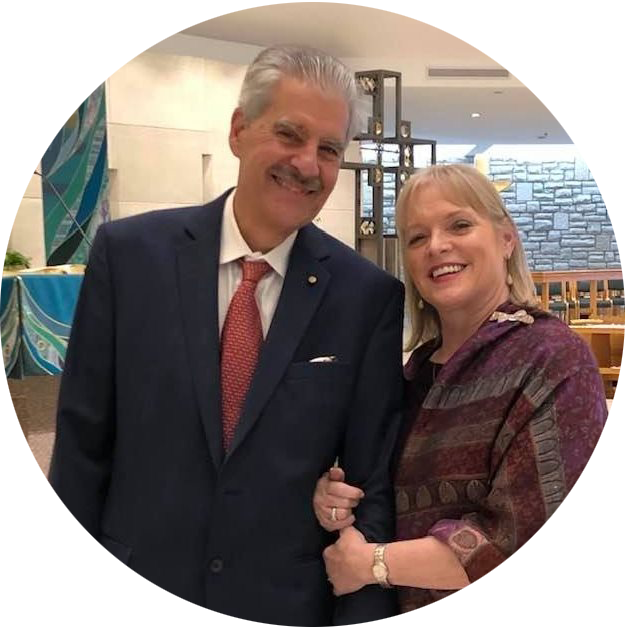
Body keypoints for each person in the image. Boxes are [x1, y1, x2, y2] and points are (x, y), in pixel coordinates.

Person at [49, 45, 404, 626]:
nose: (307, 164)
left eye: (329, 149)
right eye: (289, 134)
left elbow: (371, 486)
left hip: (285, 600)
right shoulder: (130, 258)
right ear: (239, 130)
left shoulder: (366, 297)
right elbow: (82, 446)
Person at [313, 163, 607, 614]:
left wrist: (373, 563)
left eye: (459, 225)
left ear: (506, 238)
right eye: (417, 237)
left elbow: (529, 537)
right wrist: (336, 499)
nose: (436, 246)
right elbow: (378, 494)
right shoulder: (413, 373)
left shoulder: (553, 360)